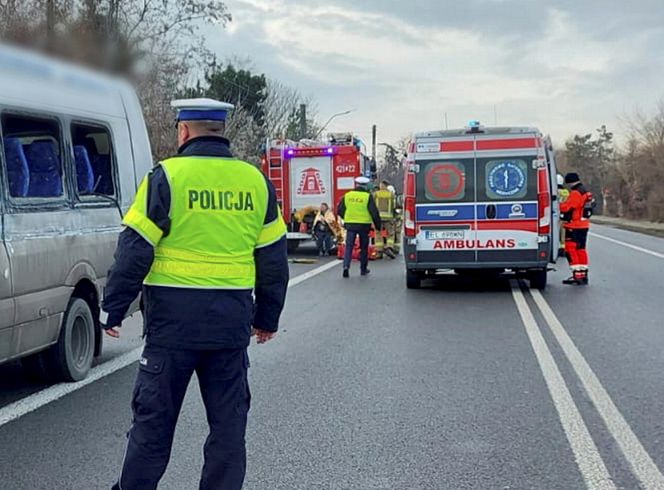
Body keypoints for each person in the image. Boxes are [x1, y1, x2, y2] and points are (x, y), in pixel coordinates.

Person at [100, 98, 289, 490]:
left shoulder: (166, 176)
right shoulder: (255, 181)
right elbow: (273, 259)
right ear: (222, 131)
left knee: (152, 428)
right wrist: (267, 318)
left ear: (183, 131)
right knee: (228, 430)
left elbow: (135, 249)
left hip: (171, 329)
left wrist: (113, 309)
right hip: (229, 328)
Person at [337, 176, 381, 277]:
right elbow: (374, 212)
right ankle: (363, 269)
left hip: (350, 225)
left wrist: (347, 218)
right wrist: (378, 226)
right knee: (364, 248)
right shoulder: (367, 196)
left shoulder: (348, 195)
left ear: (356, 185)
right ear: (365, 186)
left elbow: (340, 210)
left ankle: (346, 267)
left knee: (349, 247)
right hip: (364, 225)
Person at [560, 172, 594, 285]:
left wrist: (558, 205)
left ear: (569, 182)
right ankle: (583, 275)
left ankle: (577, 276)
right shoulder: (585, 191)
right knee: (581, 249)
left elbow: (568, 207)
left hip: (574, 225)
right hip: (583, 225)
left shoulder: (576, 193)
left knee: (571, 249)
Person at [373, 180, 397, 259]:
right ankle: (389, 247)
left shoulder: (376, 194)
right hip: (388, 218)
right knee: (391, 233)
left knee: (378, 233)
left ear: (381, 185)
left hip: (378, 218)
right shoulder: (391, 195)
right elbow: (394, 206)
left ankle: (379, 252)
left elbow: (372, 205)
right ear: (387, 186)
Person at [557, 174, 570, 257]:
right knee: (563, 232)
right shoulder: (566, 192)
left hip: (554, 214)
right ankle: (563, 248)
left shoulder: (554, 191)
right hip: (564, 214)